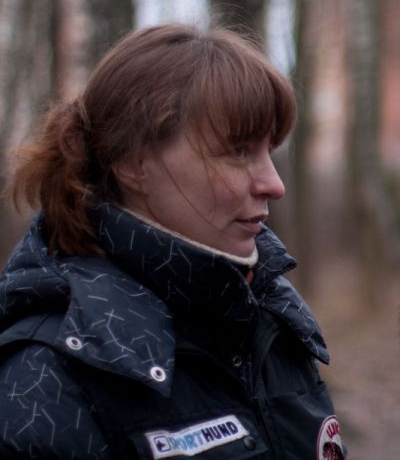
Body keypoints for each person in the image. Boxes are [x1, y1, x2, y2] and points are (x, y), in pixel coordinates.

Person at [0, 23, 346, 459]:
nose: (274, 184)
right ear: (134, 163)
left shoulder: (270, 319)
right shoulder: (46, 381)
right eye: (239, 151)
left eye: (268, 151)